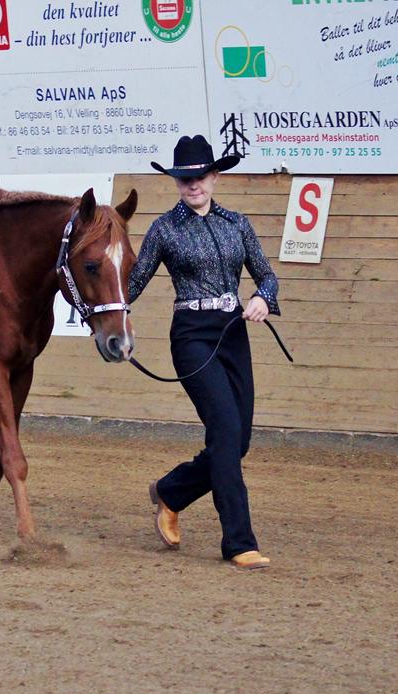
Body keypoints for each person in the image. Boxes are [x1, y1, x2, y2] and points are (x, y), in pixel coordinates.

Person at [128, 135, 280, 571]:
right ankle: (239, 541)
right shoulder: (164, 229)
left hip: (233, 333)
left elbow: (267, 276)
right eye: (184, 179)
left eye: (200, 177)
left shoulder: (237, 224)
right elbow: (133, 284)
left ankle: (172, 491)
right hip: (192, 337)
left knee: (237, 442)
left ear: (214, 177)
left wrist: (262, 298)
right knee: (226, 431)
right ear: (177, 182)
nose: (193, 185)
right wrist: (106, 315)